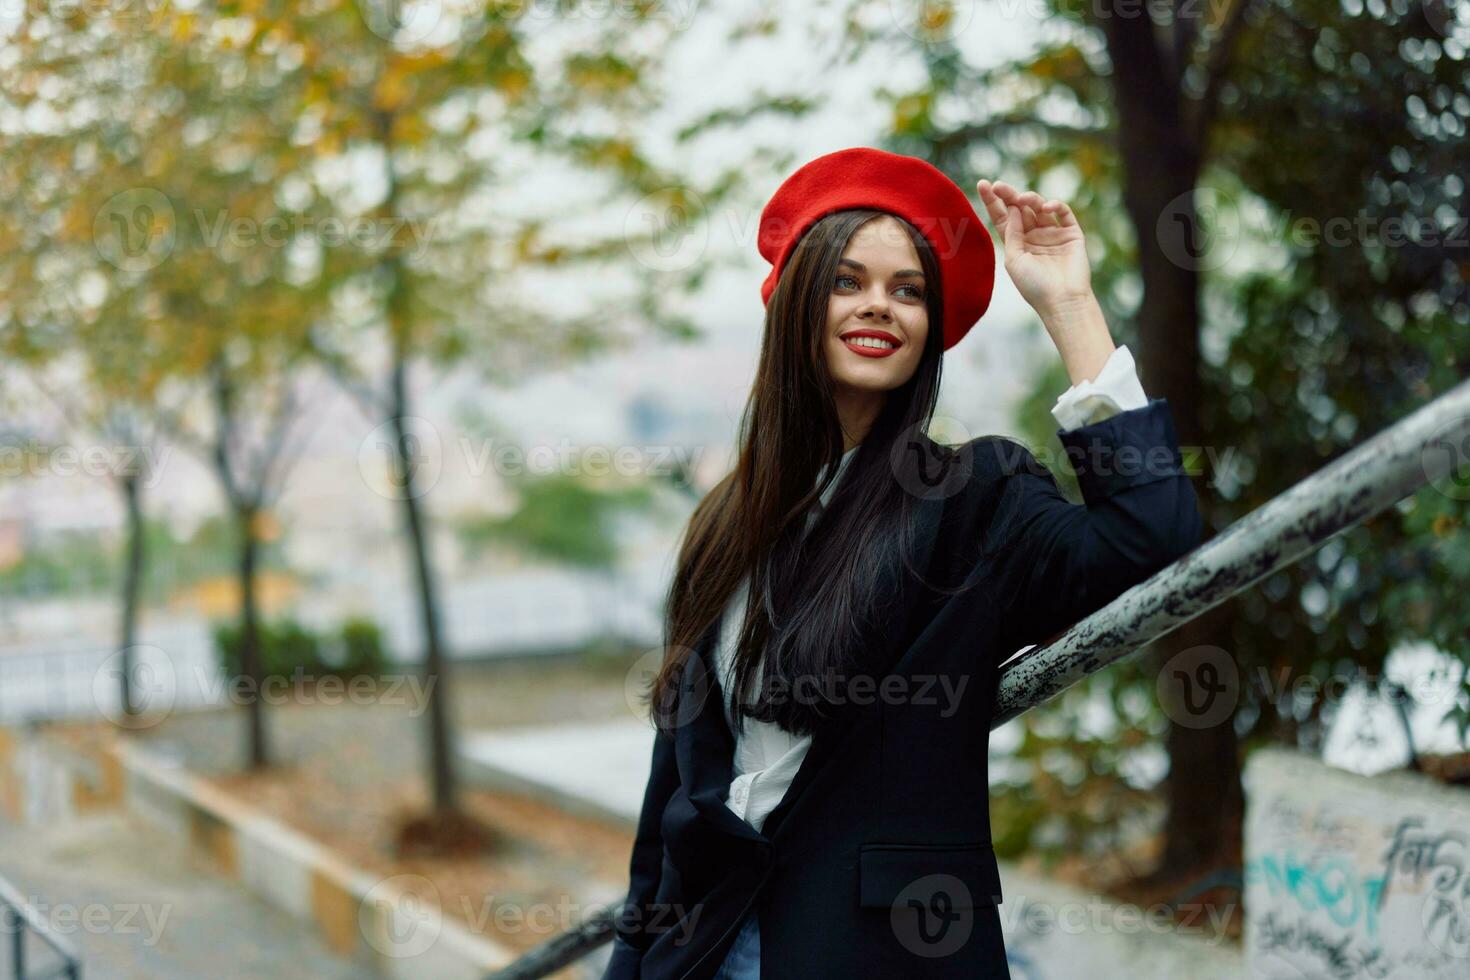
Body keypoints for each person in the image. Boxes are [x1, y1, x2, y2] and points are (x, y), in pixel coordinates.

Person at [603, 146, 1203, 980]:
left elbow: (1153, 538)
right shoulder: (723, 524)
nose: (878, 306)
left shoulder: (972, 499)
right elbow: (670, 790)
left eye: (907, 290)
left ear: (928, 328)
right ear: (797, 303)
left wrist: (1068, 302)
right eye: (848, 281)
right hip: (708, 948)